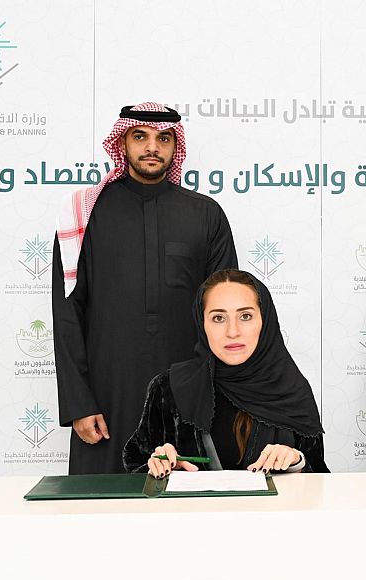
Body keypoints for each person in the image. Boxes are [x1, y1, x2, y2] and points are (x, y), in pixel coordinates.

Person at [53, 102, 237, 474]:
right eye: (140, 136)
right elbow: (67, 313)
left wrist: (212, 396)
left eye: (163, 138)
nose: (152, 147)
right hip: (107, 392)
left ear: (175, 146)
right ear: (122, 143)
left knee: (185, 501)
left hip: (185, 393)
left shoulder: (206, 214)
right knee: (103, 502)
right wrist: (79, 404)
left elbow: (226, 312)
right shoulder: (86, 214)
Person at [123, 269, 329, 476]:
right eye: (218, 318)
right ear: (202, 323)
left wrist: (296, 463)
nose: (232, 331)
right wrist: (160, 468)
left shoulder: (292, 390)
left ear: (264, 320)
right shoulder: (168, 388)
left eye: (245, 316)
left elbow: (320, 480)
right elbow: (135, 467)